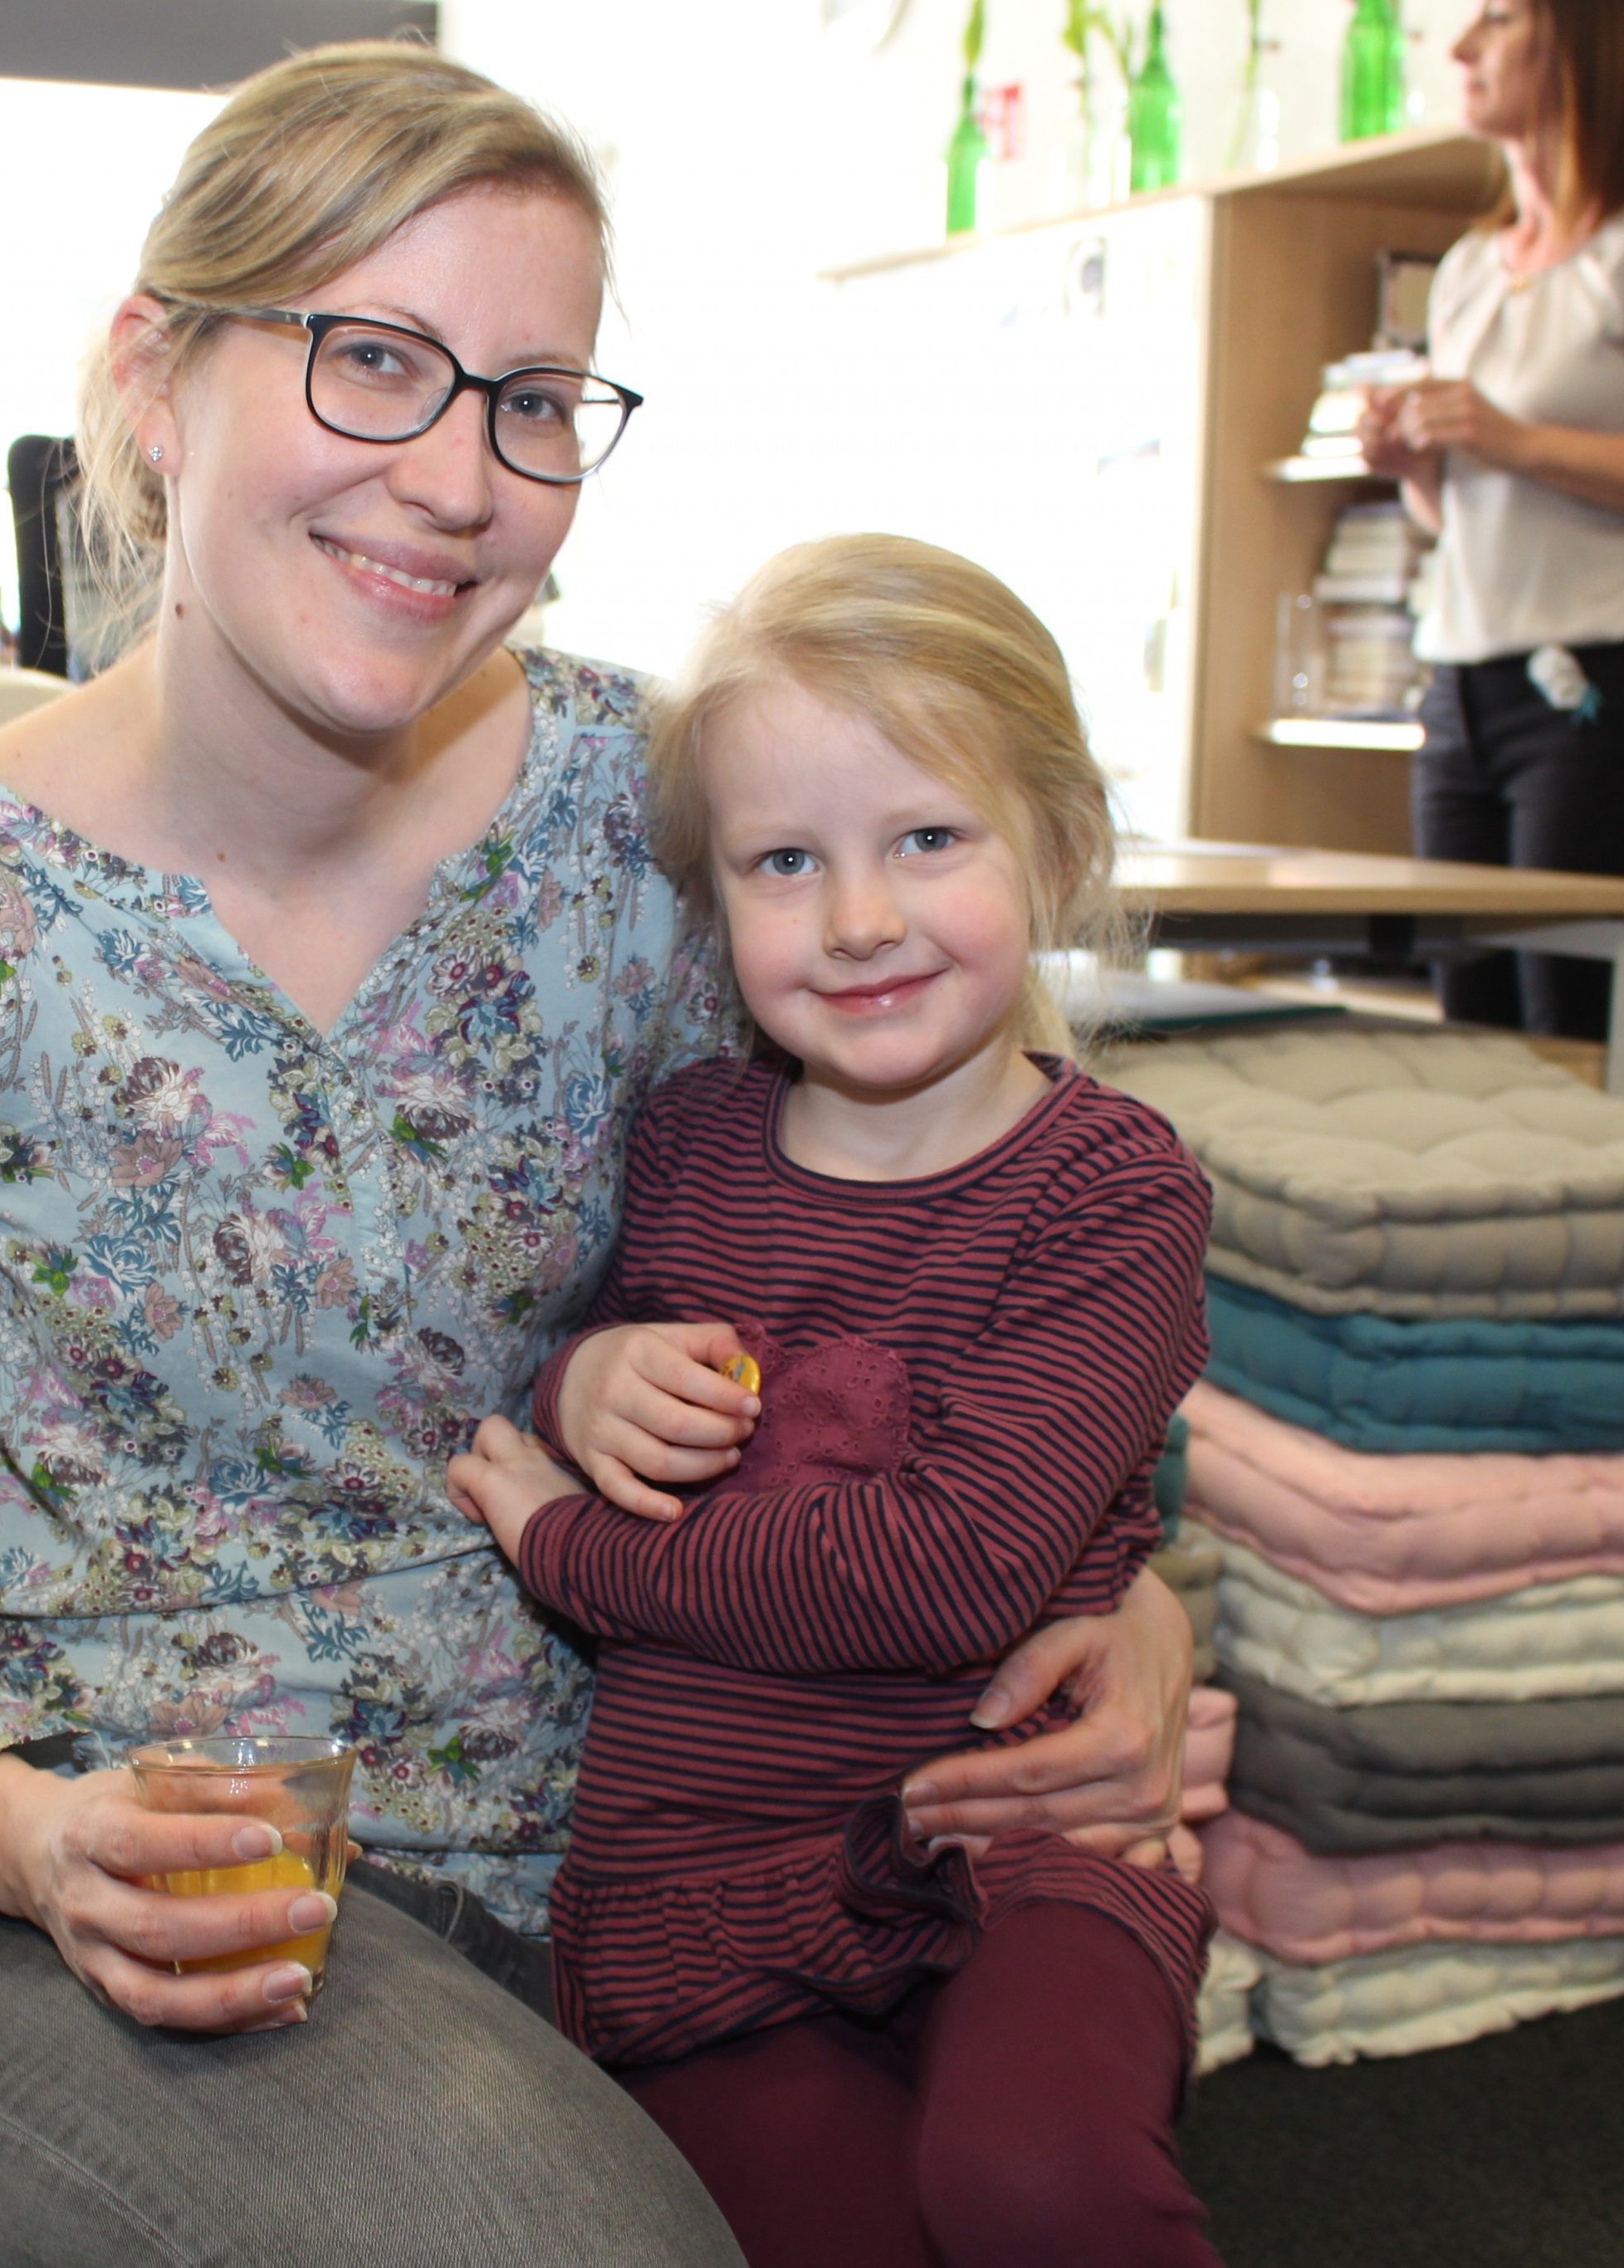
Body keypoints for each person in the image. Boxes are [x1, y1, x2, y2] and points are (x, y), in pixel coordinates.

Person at [0, 45, 1198, 2268]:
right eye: (373, 359)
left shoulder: (656, 828)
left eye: (534, 397)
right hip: (133, 1856)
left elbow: (940, 1237)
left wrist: (1125, 1597)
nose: (458, 477)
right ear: (157, 378)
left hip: (671, 1809)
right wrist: (14, 1829)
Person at [448, 536, 1220, 2268]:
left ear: (1058, 847)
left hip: (1012, 1847)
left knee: (1035, 2184)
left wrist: (567, 1549)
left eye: (925, 839)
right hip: (698, 1892)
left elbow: (941, 1574)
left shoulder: (1108, 1192)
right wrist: (587, 1384)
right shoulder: (687, 1144)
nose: (857, 918)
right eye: (783, 861)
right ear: (716, 906)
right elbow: (582, 1343)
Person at [1359, 0, 1624, 1038]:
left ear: (1585, 34)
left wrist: (1510, 438)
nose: (1461, 47)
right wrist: (1416, 465)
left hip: (1607, 703)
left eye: (1495, 19)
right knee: (1470, 1045)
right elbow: (1462, 512)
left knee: (1573, 1045)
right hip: (1462, 693)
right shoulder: (1466, 268)